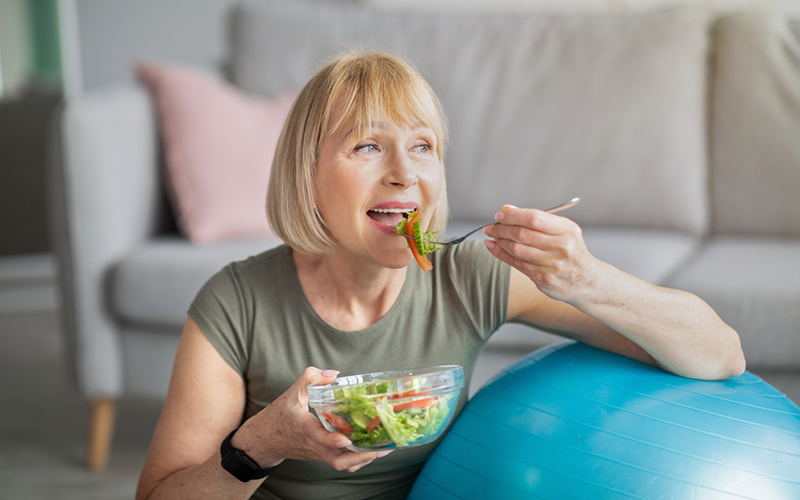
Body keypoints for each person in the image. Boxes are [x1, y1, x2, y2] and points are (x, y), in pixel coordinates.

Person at [135, 51, 745, 500]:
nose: (406, 174)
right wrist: (261, 444)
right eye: (368, 147)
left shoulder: (470, 272)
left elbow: (720, 354)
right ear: (307, 174)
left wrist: (588, 279)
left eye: (422, 146)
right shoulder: (236, 301)